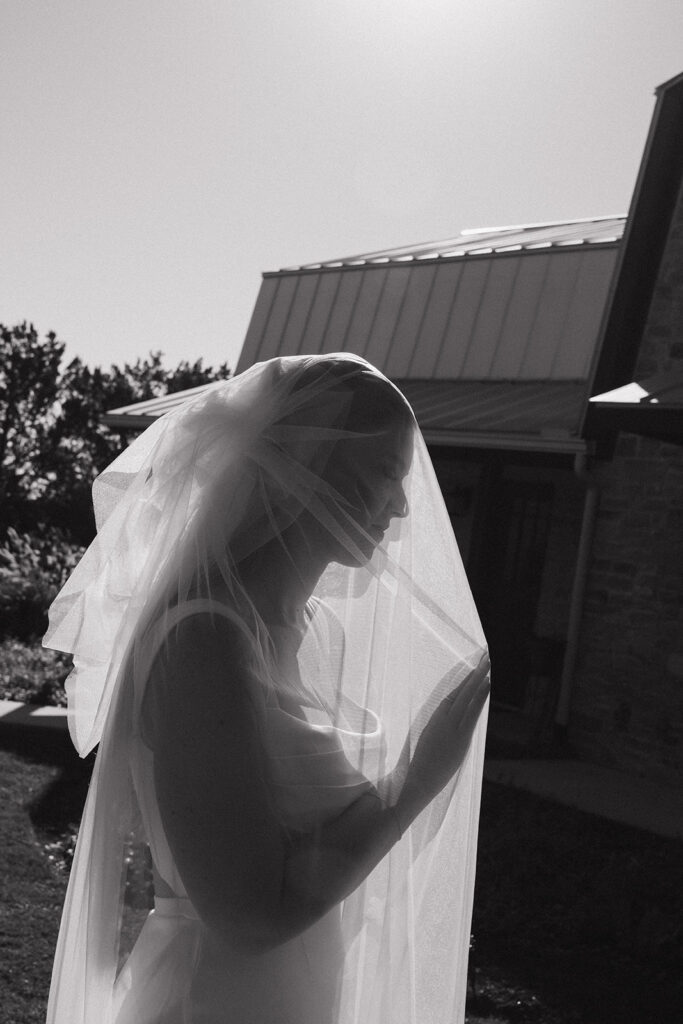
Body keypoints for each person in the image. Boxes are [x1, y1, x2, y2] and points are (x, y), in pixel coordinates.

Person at [44, 353, 490, 1024]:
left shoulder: (314, 633)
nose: (400, 507)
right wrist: (416, 778)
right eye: (384, 475)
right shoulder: (204, 639)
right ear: (302, 471)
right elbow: (249, 917)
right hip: (215, 1000)